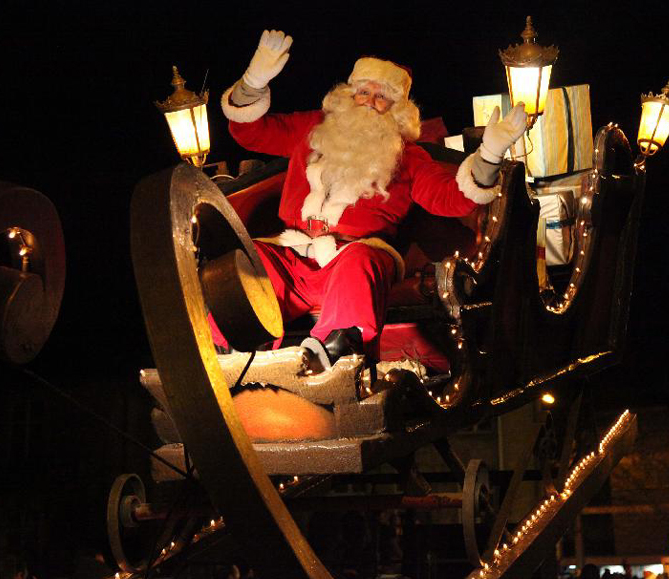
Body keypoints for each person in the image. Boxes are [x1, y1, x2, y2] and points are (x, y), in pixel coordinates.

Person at [216, 30, 527, 367]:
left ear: (397, 109)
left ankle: (333, 357)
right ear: (349, 95)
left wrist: (490, 155)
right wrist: (254, 81)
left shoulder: (408, 155)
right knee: (254, 259)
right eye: (363, 91)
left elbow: (451, 198)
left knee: (360, 263)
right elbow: (250, 132)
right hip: (294, 256)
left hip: (354, 257)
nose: (369, 102)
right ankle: (230, 352)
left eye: (382, 97)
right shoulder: (313, 129)